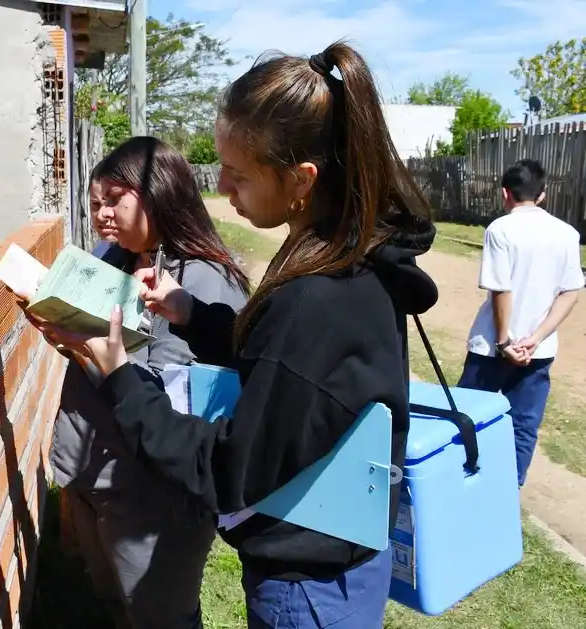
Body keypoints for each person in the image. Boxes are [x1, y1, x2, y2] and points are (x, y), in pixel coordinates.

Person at [39, 43, 439, 628]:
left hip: (309, 591)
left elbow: (228, 470)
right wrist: (191, 316)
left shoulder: (323, 297)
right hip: (325, 569)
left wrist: (119, 377)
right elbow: (290, 372)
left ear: (302, 178)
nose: (221, 186)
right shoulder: (343, 262)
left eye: (239, 174)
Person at [45, 136, 250, 629]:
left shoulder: (205, 280)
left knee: (160, 614)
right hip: (96, 470)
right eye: (96, 203)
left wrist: (101, 355)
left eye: (115, 199)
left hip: (155, 489)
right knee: (115, 602)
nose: (102, 214)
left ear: (160, 193)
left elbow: (184, 386)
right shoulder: (107, 260)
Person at [458, 159, 583, 487]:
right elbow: (571, 292)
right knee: (523, 427)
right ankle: (507, 495)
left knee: (464, 417)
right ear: (542, 195)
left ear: (504, 193)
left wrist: (504, 343)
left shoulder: (501, 229)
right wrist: (537, 337)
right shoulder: (567, 234)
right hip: (538, 351)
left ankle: (457, 485)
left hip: (491, 348)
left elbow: (502, 290)